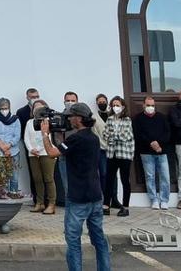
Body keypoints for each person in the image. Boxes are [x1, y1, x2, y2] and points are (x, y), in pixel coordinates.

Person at [43, 102, 112, 271]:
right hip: (95, 196)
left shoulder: (76, 139)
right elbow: (65, 149)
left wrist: (45, 134)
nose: (69, 119)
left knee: (73, 241)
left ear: (79, 119)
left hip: (78, 198)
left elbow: (52, 154)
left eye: (71, 116)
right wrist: (58, 136)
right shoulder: (93, 138)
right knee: (99, 239)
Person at [133, 96, 171, 210]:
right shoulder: (138, 119)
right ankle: (154, 199)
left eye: (152, 105)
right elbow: (138, 134)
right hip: (146, 152)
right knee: (150, 176)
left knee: (165, 176)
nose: (150, 107)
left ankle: (164, 200)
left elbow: (167, 133)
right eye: (148, 105)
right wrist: (151, 143)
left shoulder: (162, 117)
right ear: (143, 105)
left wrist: (159, 144)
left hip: (161, 151)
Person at [101, 96, 133, 217]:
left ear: (123, 106)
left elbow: (125, 136)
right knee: (109, 179)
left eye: (118, 105)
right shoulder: (109, 119)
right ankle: (106, 205)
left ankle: (125, 207)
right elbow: (105, 134)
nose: (115, 107)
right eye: (113, 105)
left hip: (124, 154)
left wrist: (112, 136)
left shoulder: (127, 120)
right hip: (111, 153)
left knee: (125, 180)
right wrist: (113, 136)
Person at [25, 100, 57, 213]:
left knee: (48, 179)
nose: (37, 109)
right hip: (33, 154)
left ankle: (52, 204)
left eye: (40, 107)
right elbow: (26, 138)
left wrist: (39, 149)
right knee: (37, 179)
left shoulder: (49, 122)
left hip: (46, 153)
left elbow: (48, 137)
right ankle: (40, 203)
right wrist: (31, 149)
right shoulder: (29, 122)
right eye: (35, 107)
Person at [0, 97, 21, 195]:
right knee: (1, 177)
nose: (4, 110)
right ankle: (3, 196)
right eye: (2, 108)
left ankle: (14, 195)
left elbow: (17, 136)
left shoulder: (15, 119)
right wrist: (3, 148)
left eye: (6, 108)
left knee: (14, 177)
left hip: (14, 152)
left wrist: (8, 146)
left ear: (9, 107)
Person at [17, 88, 41, 203]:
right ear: (27, 98)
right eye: (32, 97)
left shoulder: (45, 109)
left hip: (45, 147)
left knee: (47, 176)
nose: (34, 99)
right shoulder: (21, 112)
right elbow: (21, 132)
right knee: (34, 173)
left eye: (36, 96)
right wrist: (30, 146)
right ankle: (36, 199)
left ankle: (48, 200)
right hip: (30, 147)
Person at [55, 91, 79, 207]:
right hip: (64, 156)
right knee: (67, 185)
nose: (70, 103)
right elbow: (57, 138)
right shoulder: (60, 117)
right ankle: (70, 207)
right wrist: (65, 149)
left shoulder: (81, 118)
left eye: (72, 100)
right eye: (68, 100)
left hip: (78, 156)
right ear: (64, 101)